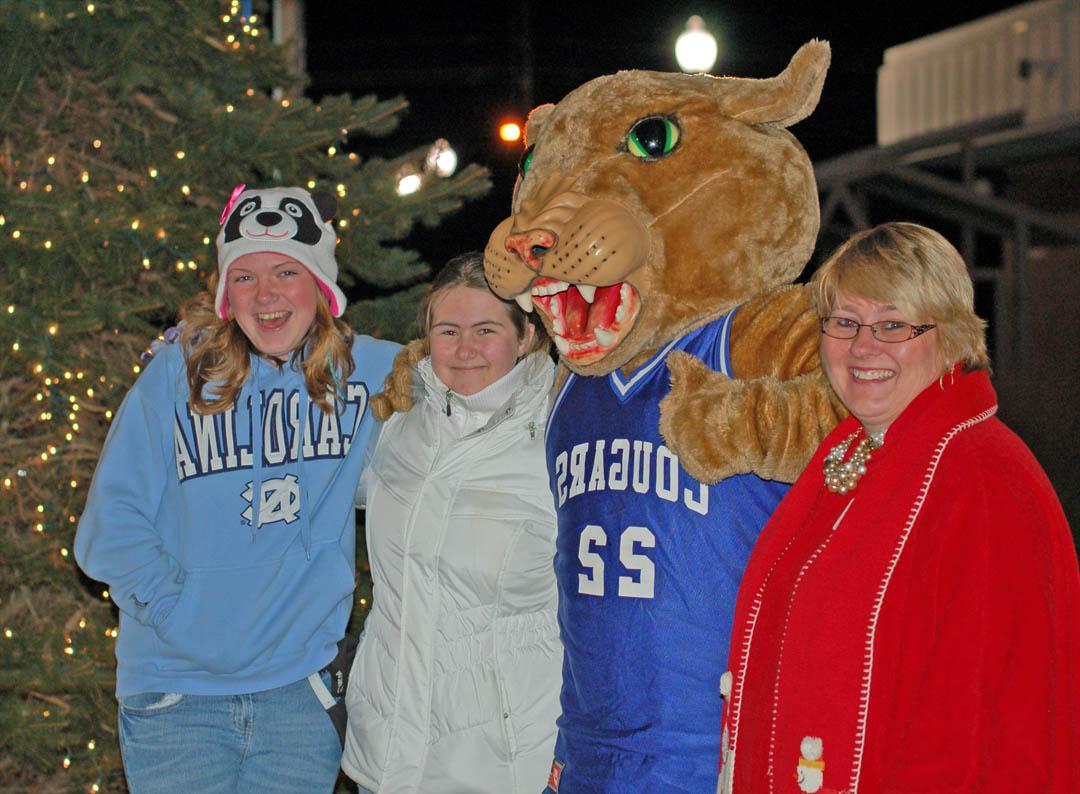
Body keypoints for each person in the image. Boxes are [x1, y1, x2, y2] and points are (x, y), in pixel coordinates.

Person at [717, 222, 1080, 793]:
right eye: (844, 322)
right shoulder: (851, 453)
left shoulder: (984, 480)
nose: (864, 346)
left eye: (893, 324)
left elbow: (978, 735)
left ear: (952, 335)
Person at [75, 186, 399, 793]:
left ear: (322, 287)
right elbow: (108, 527)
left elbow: (478, 359)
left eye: (286, 271)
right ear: (226, 295)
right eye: (244, 276)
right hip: (178, 697)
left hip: (297, 698)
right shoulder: (178, 373)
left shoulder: (372, 375)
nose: (267, 294)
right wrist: (180, 611)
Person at [340, 252, 562, 793]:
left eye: (486, 330)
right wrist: (204, 343)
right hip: (386, 754)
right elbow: (302, 382)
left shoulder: (561, 433)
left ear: (527, 335)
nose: (464, 349)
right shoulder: (395, 420)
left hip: (502, 761)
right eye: (448, 330)